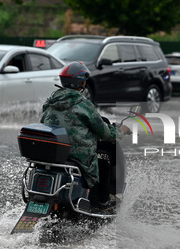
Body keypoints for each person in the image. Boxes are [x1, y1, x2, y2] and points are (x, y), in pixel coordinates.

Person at [40, 61, 130, 209]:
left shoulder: (50, 102)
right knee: (104, 158)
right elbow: (106, 133)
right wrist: (123, 130)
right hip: (77, 157)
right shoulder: (83, 104)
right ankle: (102, 201)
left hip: (54, 155)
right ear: (80, 82)